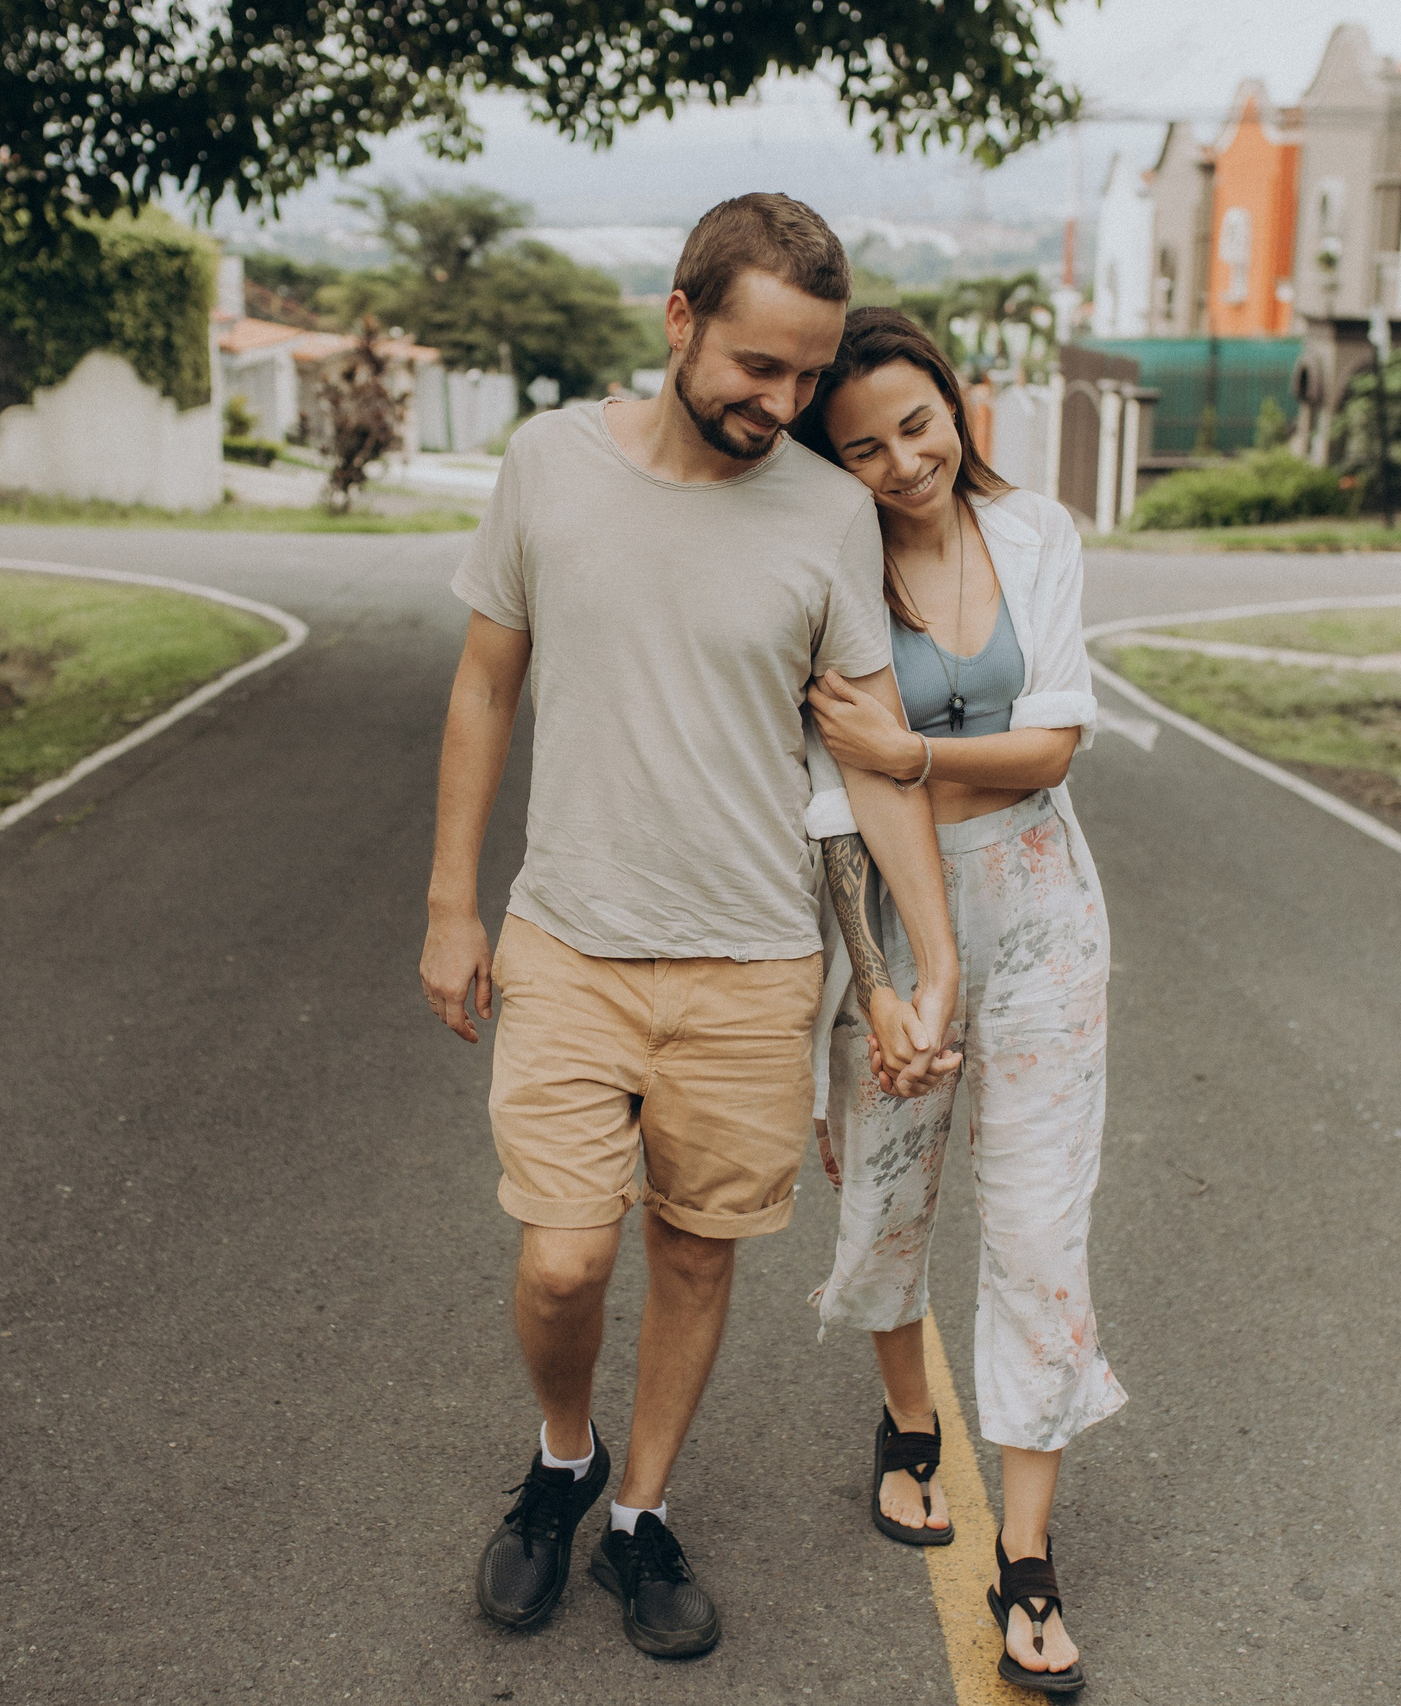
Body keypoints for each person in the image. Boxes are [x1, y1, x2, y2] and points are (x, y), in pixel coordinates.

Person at [419, 196, 962, 1662]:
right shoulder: (548, 466)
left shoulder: (830, 513)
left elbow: (868, 751)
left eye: (807, 377)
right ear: (679, 320)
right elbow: (484, 684)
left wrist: (927, 968)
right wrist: (451, 901)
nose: (781, 407)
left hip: (751, 959)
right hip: (572, 941)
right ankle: (562, 1457)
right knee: (562, 1259)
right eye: (757, 368)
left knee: (700, 1247)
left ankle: (641, 1513)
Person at [793, 307, 1127, 1695]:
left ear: (955, 402)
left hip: (1046, 908)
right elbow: (831, 801)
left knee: (1041, 1219)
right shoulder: (824, 570)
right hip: (884, 908)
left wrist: (910, 753)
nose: (902, 461)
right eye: (861, 445)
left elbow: (1055, 748)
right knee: (886, 1188)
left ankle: (1028, 1557)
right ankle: (907, 1422)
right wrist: (876, 990)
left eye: (916, 423)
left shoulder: (1040, 533)